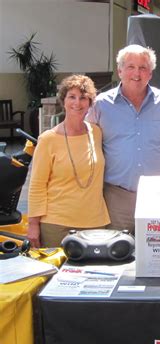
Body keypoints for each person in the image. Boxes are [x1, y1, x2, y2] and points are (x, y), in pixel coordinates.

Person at [87, 44, 160, 233]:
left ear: (150, 73)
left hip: (157, 196)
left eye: (143, 67)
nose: (137, 73)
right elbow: (87, 145)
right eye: (130, 67)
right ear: (120, 71)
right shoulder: (101, 105)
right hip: (117, 197)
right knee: (118, 254)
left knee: (156, 255)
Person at [27, 75, 110, 248]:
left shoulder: (96, 133)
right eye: (72, 97)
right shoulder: (48, 139)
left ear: (90, 102)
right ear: (63, 101)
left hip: (95, 223)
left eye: (83, 98)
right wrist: (33, 224)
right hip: (57, 225)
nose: (77, 103)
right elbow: (37, 185)